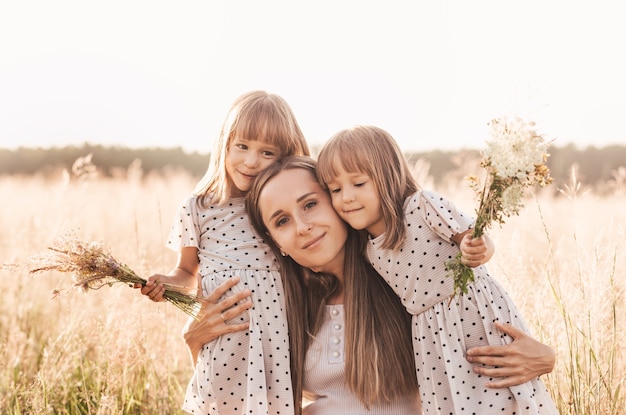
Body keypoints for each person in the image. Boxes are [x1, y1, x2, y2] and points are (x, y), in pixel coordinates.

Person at [185, 156, 556, 414]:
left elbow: (482, 352)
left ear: (338, 202)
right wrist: (196, 344)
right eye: (281, 221)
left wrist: (546, 359)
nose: (302, 226)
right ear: (275, 243)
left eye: (310, 204)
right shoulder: (281, 305)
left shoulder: (408, 283)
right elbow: (234, 401)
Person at [315, 125, 558, 413]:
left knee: (502, 388)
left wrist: (477, 248)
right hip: (431, 339)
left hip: (473, 316)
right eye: (335, 189)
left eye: (358, 184)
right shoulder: (368, 250)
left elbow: (472, 236)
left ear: (387, 176)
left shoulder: (421, 207)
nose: (346, 197)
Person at [137, 90, 310, 415]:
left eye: (266, 152)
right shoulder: (198, 207)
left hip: (275, 340)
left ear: (284, 157)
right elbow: (187, 273)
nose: (251, 160)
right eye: (242, 146)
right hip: (224, 339)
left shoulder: (277, 206)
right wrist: (165, 283)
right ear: (225, 144)